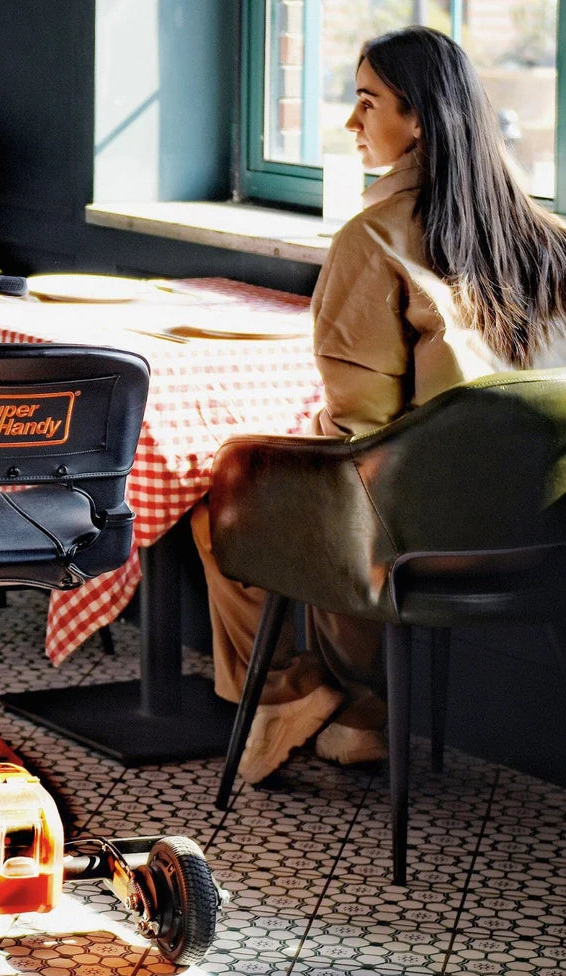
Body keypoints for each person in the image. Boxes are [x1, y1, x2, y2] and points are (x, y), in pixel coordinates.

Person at [192, 25, 566, 784]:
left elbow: (361, 434)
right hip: (542, 536)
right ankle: (354, 716)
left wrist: (283, 463)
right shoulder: (549, 237)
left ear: (418, 117)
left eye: (366, 102)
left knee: (223, 508)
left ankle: (302, 693)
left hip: (420, 541)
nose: (349, 123)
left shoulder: (373, 239)